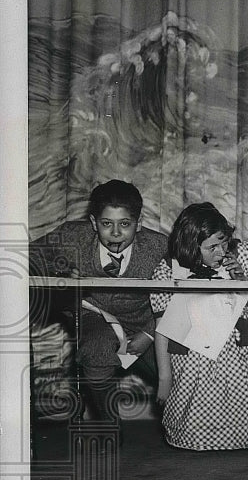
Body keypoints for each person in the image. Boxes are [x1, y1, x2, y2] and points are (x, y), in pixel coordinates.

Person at [29, 180, 168, 432]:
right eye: (106, 224)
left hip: (146, 322)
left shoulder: (159, 246)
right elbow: (28, 257)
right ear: (93, 223)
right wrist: (58, 270)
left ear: (138, 223)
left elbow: (179, 297)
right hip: (93, 315)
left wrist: (148, 335)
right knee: (97, 350)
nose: (115, 233)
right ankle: (107, 421)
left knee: (178, 373)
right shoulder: (73, 236)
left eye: (125, 224)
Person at [150, 203, 248, 450]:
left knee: (238, 397)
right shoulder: (169, 270)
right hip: (192, 353)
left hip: (237, 353)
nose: (221, 252)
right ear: (191, 246)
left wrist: (241, 283)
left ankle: (240, 437)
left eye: (224, 243)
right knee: (194, 400)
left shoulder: (243, 256)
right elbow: (162, 325)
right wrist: (165, 376)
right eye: (212, 247)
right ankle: (192, 438)